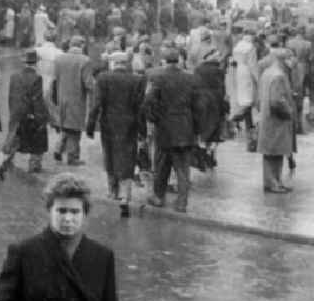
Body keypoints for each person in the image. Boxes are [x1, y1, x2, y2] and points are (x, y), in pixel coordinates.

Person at [86, 50, 145, 215]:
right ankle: (126, 195)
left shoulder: (103, 78)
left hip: (109, 123)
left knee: (110, 154)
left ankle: (112, 191)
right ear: (126, 63)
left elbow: (96, 105)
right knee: (127, 156)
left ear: (113, 63)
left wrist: (90, 126)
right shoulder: (137, 80)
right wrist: (142, 131)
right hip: (129, 124)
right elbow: (141, 108)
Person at [145, 45, 201, 213]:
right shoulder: (190, 78)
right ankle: (182, 203)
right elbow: (198, 105)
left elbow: (148, 102)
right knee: (183, 168)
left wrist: (154, 118)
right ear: (178, 60)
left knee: (162, 165)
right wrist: (195, 127)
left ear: (164, 60)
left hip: (165, 129)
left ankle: (158, 197)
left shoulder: (158, 77)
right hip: (185, 128)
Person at [0, 49, 49, 178]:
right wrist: (40, 116)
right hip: (29, 113)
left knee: (13, 137)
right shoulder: (37, 78)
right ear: (35, 63)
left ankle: (1, 161)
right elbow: (36, 99)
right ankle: (34, 165)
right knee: (39, 137)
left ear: (24, 62)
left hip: (16, 112)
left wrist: (13, 111)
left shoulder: (14, 76)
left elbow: (11, 96)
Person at [256, 44, 295, 194]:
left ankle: (273, 181)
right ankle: (273, 183)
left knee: (271, 153)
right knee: (275, 153)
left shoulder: (268, 72)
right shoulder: (279, 75)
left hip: (268, 118)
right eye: (290, 58)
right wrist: (289, 111)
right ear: (284, 59)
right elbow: (276, 101)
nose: (292, 61)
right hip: (277, 121)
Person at [52, 35, 95, 166]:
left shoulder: (59, 59)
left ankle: (58, 148)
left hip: (62, 97)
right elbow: (88, 83)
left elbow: (55, 79)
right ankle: (73, 156)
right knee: (75, 128)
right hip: (76, 99)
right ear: (81, 46)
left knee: (66, 125)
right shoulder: (85, 61)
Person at [192, 45, 227, 171]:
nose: (217, 56)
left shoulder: (198, 69)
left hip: (201, 102)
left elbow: (194, 86)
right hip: (216, 102)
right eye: (215, 53)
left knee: (203, 129)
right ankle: (211, 153)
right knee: (215, 130)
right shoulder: (219, 71)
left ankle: (202, 152)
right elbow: (223, 88)